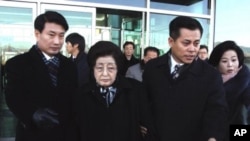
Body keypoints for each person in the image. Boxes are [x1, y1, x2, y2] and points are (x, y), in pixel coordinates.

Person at [142, 16, 228, 141]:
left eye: (196, 43)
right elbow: (144, 101)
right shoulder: (152, 67)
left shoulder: (211, 75)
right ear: (171, 41)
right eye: (186, 43)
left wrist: (212, 136)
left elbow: (217, 111)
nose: (192, 49)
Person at [4, 11, 77, 141]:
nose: (57, 41)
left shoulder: (69, 66)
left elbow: (74, 101)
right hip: (33, 134)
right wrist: (31, 113)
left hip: (65, 135)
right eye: (51, 35)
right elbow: (13, 96)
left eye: (61, 36)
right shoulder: (17, 64)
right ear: (37, 34)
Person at [73, 41, 154, 141]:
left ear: (118, 68)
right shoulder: (82, 94)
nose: (105, 74)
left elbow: (147, 125)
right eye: (99, 68)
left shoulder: (135, 89)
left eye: (111, 68)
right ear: (92, 69)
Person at [208, 40, 250, 141]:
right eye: (224, 61)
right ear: (216, 63)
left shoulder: (245, 82)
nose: (230, 65)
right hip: (210, 133)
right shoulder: (207, 81)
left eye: (234, 60)